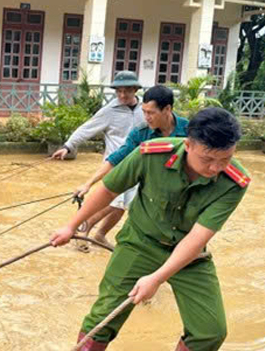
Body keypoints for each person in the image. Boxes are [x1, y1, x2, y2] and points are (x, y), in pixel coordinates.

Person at [46, 108, 250, 351]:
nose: (216, 168)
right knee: (102, 318)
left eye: (225, 159)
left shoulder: (234, 181)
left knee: (211, 330)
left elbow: (197, 239)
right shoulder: (151, 155)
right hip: (139, 243)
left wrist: (156, 278)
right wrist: (72, 226)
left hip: (189, 254)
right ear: (189, 144)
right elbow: (109, 189)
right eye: (208, 159)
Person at [74, 85, 189, 241]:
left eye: (151, 113)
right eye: (144, 112)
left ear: (167, 109)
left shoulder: (190, 131)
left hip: (182, 195)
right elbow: (117, 158)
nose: (146, 117)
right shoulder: (140, 134)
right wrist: (88, 183)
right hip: (152, 195)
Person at [52, 70, 144, 249]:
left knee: (122, 206)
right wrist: (68, 146)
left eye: (127, 91)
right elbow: (87, 128)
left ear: (135, 90)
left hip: (139, 164)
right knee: (112, 202)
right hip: (115, 163)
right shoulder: (109, 111)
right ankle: (82, 232)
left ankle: (100, 235)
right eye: (119, 91)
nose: (122, 95)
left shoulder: (145, 110)